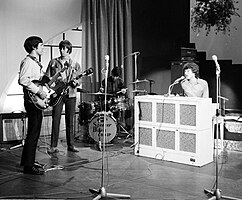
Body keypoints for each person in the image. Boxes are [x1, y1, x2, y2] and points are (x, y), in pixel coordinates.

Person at [46, 40, 82, 153]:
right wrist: (53, 86)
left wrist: (76, 83)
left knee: (70, 120)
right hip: (57, 94)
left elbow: (80, 79)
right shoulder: (53, 62)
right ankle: (53, 146)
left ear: (69, 50)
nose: (62, 50)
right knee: (55, 119)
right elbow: (47, 78)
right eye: (60, 48)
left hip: (70, 94)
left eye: (64, 48)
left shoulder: (75, 64)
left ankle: (71, 145)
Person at [18, 36, 46, 175]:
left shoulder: (35, 62)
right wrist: (38, 91)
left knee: (34, 132)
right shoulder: (28, 62)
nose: (43, 48)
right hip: (32, 101)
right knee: (33, 133)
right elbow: (23, 80)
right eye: (41, 45)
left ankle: (29, 161)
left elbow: (35, 80)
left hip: (34, 100)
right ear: (34, 47)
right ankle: (28, 167)